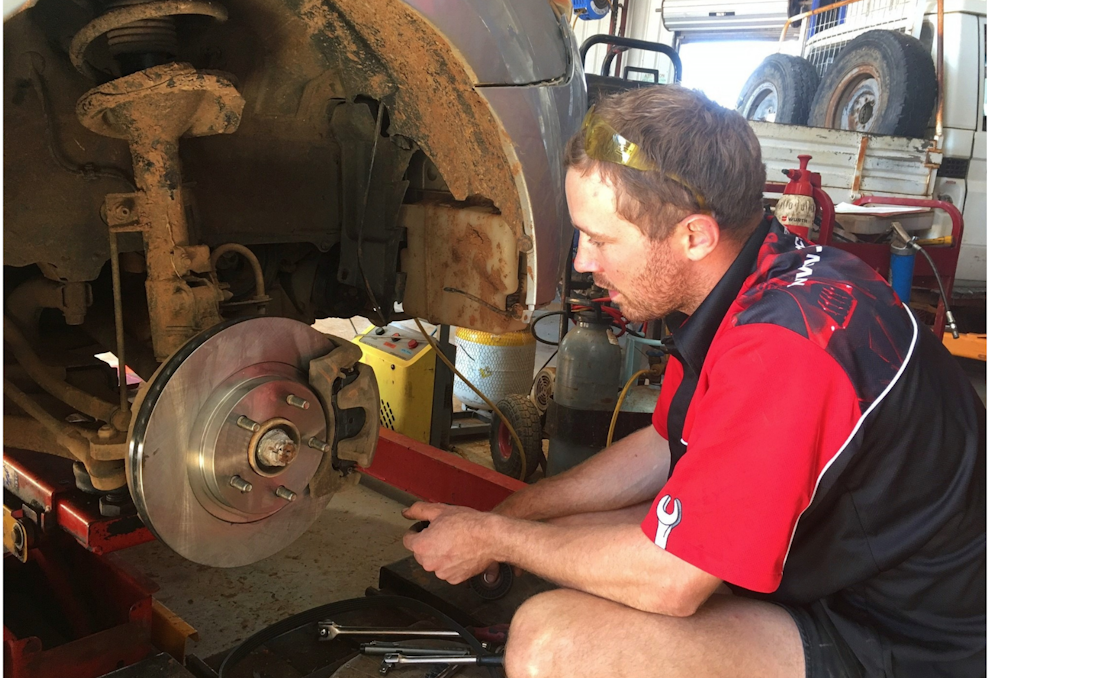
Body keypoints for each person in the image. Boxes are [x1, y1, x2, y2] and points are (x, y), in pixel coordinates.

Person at [401, 86, 985, 678]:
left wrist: (497, 540)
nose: (581, 261)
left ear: (694, 236)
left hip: (906, 642)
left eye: (601, 240)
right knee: (561, 537)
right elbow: (665, 442)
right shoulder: (759, 278)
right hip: (840, 573)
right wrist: (516, 514)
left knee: (552, 643)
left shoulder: (785, 349)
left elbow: (671, 582)